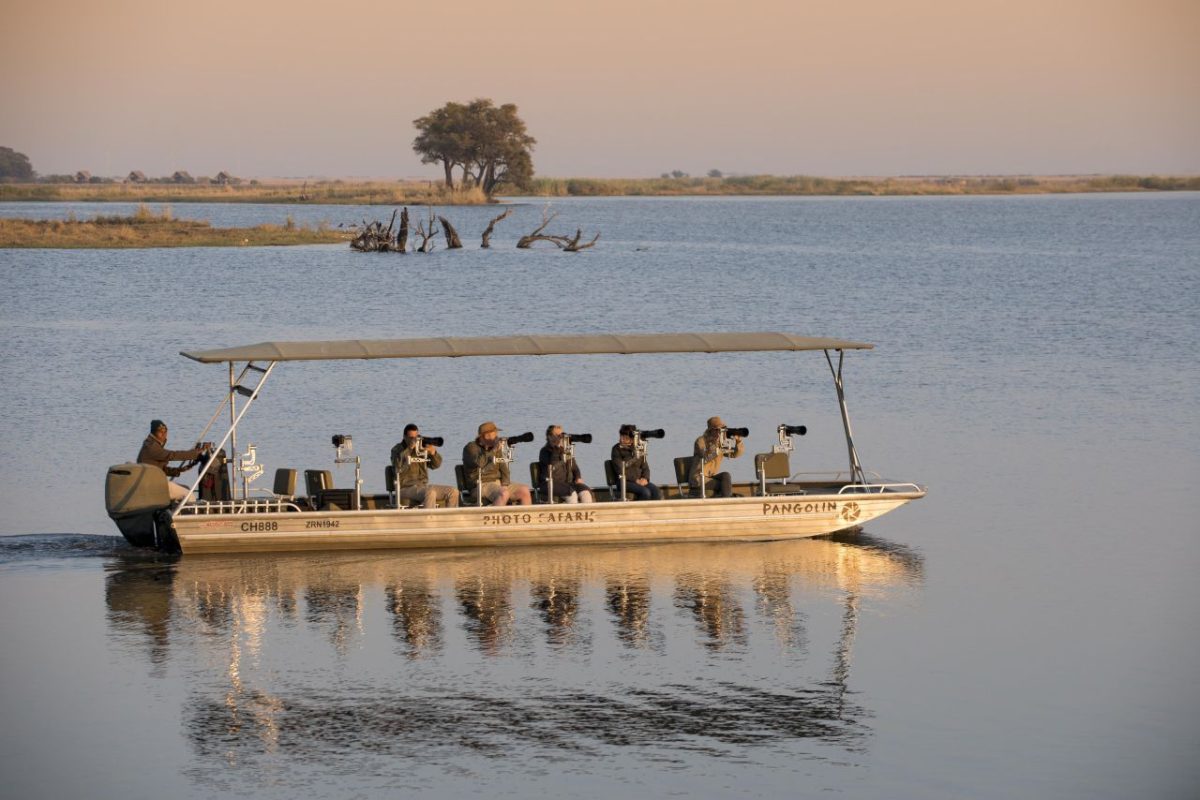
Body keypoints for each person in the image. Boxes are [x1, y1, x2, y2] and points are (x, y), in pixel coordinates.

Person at [136, 419, 210, 501]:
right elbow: (173, 455)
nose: (164, 435)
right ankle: (189, 513)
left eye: (165, 432)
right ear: (153, 432)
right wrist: (198, 452)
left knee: (186, 488)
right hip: (154, 485)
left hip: (153, 482)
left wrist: (183, 468)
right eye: (160, 432)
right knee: (189, 495)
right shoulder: (151, 447)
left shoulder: (151, 444)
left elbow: (160, 469)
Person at [461, 421, 533, 506]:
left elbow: (503, 468)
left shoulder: (495, 447)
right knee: (504, 493)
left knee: (524, 490)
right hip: (480, 484)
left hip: (497, 483)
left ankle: (524, 517)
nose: (497, 436)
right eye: (494, 433)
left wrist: (505, 483)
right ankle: (495, 518)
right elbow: (480, 464)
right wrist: (493, 450)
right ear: (486, 435)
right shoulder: (471, 448)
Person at [390, 423, 460, 509]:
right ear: (404, 437)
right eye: (411, 438)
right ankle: (428, 520)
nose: (414, 440)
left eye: (416, 437)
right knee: (430, 492)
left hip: (422, 486)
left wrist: (433, 453)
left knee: (453, 491)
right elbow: (398, 466)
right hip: (404, 488)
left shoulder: (421, 449)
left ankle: (450, 520)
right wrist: (410, 448)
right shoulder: (397, 450)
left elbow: (436, 465)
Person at [689, 416, 743, 498]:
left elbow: (735, 454)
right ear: (711, 430)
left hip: (710, 477)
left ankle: (726, 498)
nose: (719, 432)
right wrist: (716, 448)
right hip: (698, 477)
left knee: (726, 475)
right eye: (717, 430)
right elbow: (705, 458)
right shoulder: (701, 441)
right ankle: (727, 500)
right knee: (722, 484)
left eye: (721, 430)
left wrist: (738, 442)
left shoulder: (720, 443)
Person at [538, 425, 594, 504]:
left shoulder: (566, 450)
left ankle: (587, 515)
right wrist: (556, 448)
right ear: (549, 437)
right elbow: (553, 467)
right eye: (557, 435)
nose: (560, 437)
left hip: (566, 484)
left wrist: (578, 477)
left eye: (561, 435)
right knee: (571, 494)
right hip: (550, 483)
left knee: (585, 492)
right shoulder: (545, 451)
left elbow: (574, 467)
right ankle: (572, 514)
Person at [611, 424, 661, 501]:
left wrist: (645, 478)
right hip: (624, 481)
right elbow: (620, 469)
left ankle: (653, 512)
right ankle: (640, 512)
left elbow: (645, 467)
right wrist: (636, 480)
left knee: (656, 491)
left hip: (640, 481)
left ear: (632, 439)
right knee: (645, 492)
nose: (621, 440)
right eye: (621, 436)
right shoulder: (616, 449)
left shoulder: (638, 448)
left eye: (625, 438)